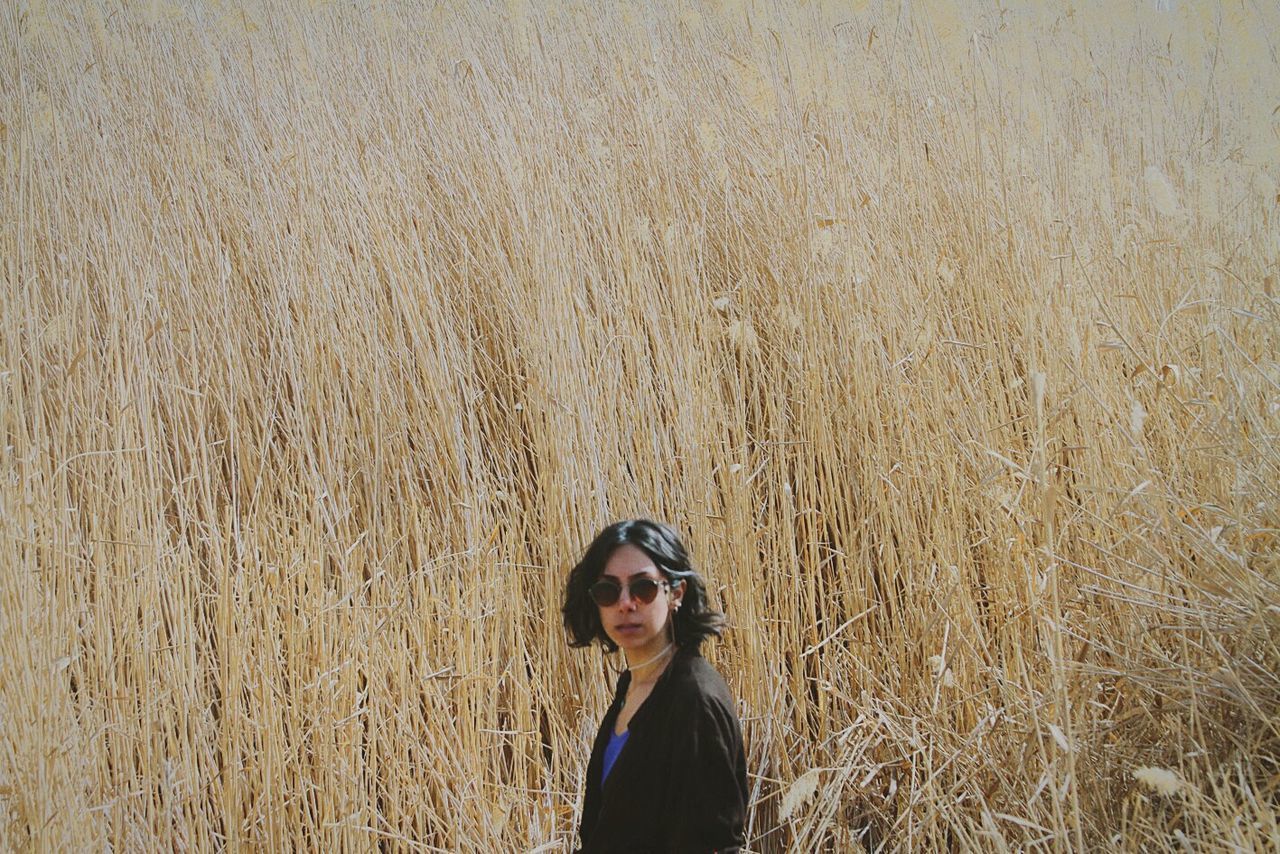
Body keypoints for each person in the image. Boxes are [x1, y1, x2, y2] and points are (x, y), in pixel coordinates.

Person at [562, 519, 747, 853]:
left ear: (675, 592)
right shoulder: (633, 685)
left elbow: (713, 842)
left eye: (642, 588)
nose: (625, 603)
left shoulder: (693, 701)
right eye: (608, 590)